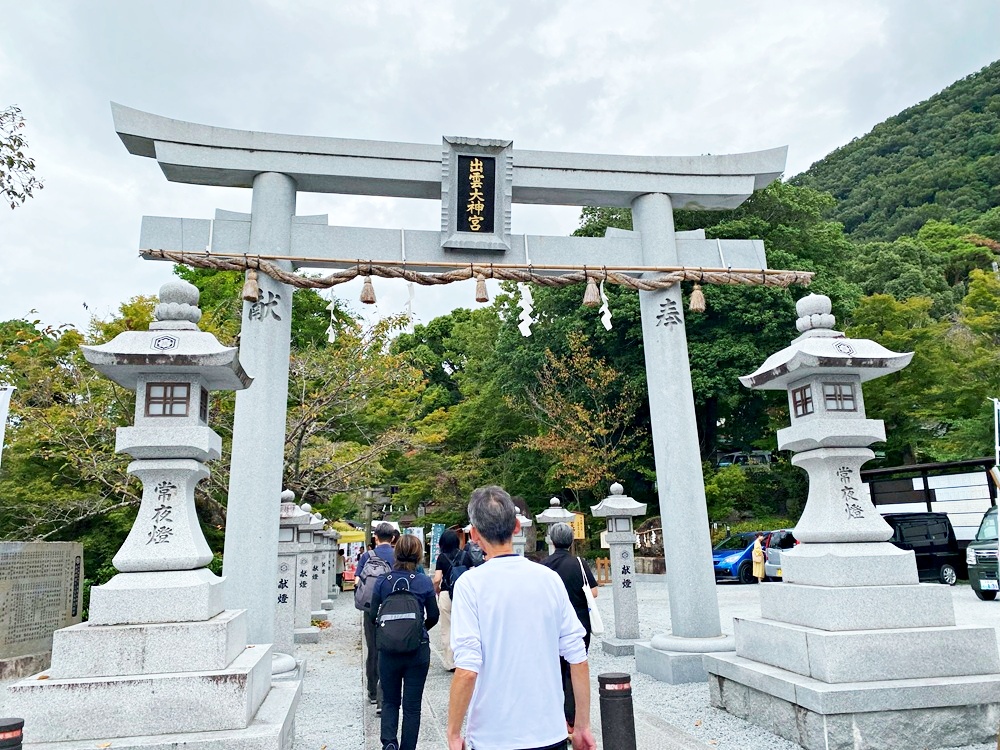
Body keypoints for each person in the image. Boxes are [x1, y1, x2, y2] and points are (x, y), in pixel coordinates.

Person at [447, 486, 596, 750]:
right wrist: (582, 726)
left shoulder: (470, 584)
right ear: (517, 526)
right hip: (549, 730)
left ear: (474, 534)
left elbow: (468, 669)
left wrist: (454, 732)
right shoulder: (548, 579)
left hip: (492, 735)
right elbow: (577, 656)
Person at [371, 534, 439, 750]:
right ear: (419, 555)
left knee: (390, 701)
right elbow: (434, 615)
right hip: (417, 651)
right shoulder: (423, 582)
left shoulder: (383, 581)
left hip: (389, 652)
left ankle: (389, 743)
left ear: (396, 552)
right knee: (412, 706)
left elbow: (373, 614)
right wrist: (418, 632)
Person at [541, 522, 598, 736]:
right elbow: (593, 592)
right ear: (571, 540)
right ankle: (572, 719)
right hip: (580, 624)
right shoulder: (580, 564)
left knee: (553, 670)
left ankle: (555, 717)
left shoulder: (544, 565)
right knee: (574, 669)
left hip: (551, 626)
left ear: (552, 540)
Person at [358, 523, 397, 708]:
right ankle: (385, 695)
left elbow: (358, 580)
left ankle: (372, 691)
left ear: (375, 537)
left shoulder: (367, 556)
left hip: (370, 608)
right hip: (391, 609)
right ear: (393, 538)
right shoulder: (397, 555)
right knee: (388, 651)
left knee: (372, 648)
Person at [432, 529, 463, 672]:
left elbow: (437, 579)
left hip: (446, 594)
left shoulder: (442, 558)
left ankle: (450, 662)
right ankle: (464, 659)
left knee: (447, 627)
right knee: (463, 626)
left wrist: (436, 590)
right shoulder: (465, 555)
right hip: (463, 595)